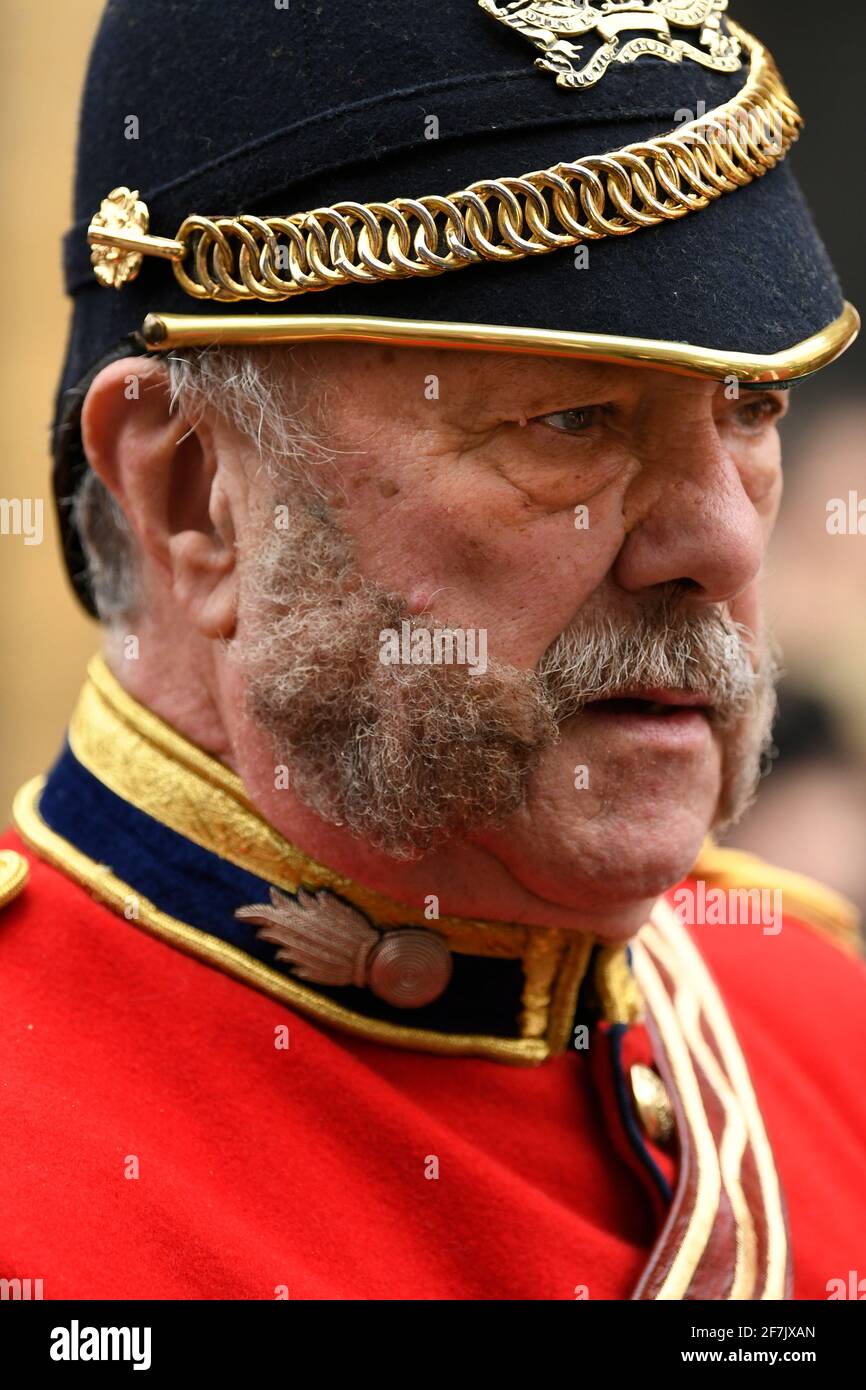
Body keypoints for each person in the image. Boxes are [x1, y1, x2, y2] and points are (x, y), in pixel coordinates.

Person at [1, 0, 864, 1301]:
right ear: (192, 499)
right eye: (570, 418)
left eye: (748, 405)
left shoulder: (818, 1018)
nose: (725, 545)